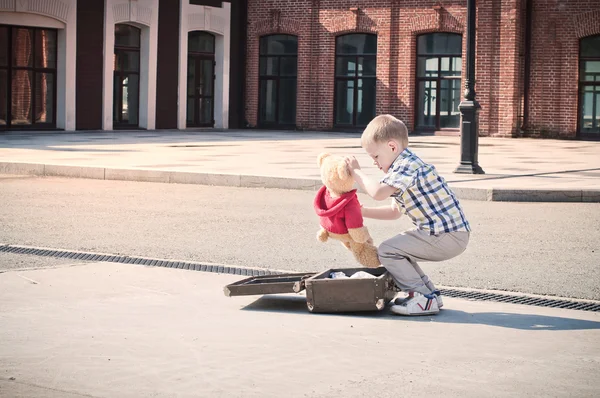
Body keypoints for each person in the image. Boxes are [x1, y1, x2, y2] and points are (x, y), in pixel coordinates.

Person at [344, 114, 471, 316]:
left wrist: (357, 172)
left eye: (376, 157)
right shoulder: (403, 168)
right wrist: (363, 212)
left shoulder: (406, 165)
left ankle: (422, 298)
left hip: (447, 235)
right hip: (449, 234)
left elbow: (377, 193)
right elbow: (394, 212)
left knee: (387, 250)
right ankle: (429, 295)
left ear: (392, 147)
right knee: (398, 250)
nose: (375, 163)